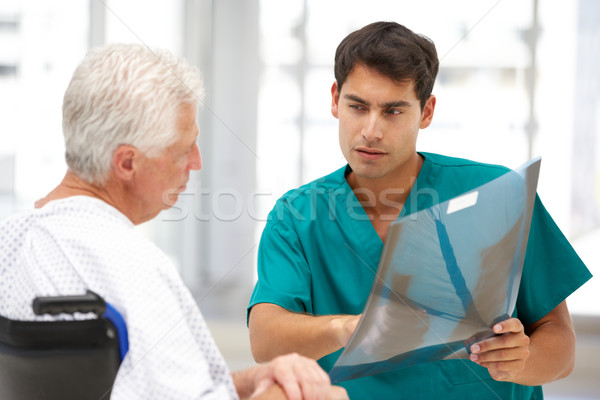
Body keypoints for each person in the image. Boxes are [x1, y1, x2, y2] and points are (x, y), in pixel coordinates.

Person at [247, 21, 592, 399]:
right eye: (357, 107)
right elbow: (265, 340)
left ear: (426, 111)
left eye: (393, 111)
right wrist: (351, 329)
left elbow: (561, 347)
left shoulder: (499, 193)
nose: (371, 130)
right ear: (334, 100)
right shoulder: (296, 217)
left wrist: (520, 361)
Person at [0, 43, 348, 400]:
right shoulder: (131, 266)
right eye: (184, 149)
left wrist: (252, 380)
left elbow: (135, 387)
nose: (195, 162)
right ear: (127, 163)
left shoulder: (11, 239)